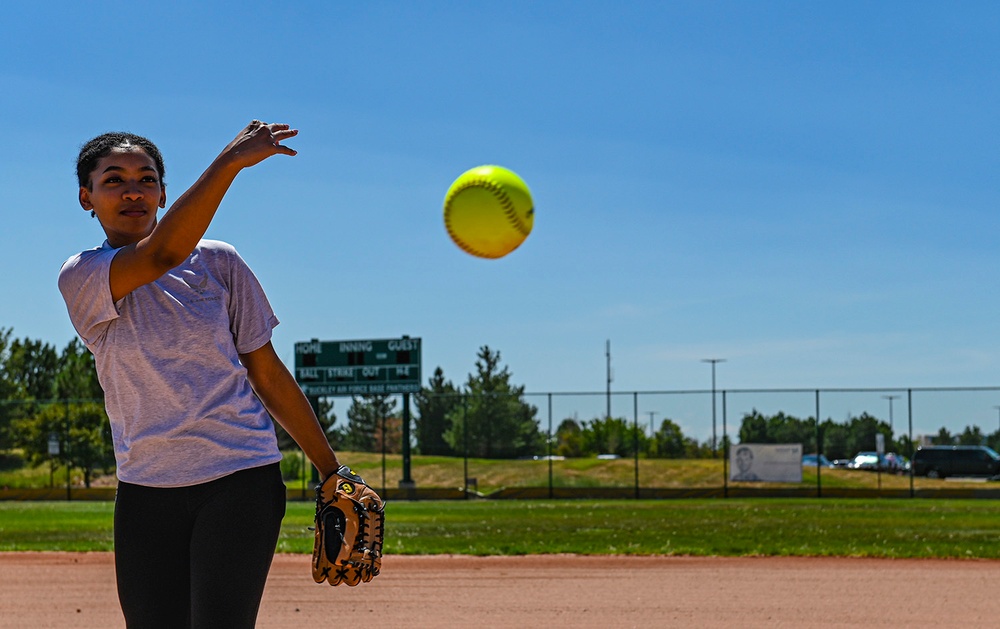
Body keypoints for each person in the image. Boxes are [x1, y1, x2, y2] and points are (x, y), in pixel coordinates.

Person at [58, 121, 341, 628]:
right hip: (146, 485)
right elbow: (161, 253)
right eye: (113, 180)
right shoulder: (83, 274)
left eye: (146, 179)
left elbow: (267, 372)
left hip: (240, 477)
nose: (132, 190)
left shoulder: (219, 262)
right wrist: (228, 162)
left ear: (164, 194)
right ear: (87, 198)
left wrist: (331, 470)